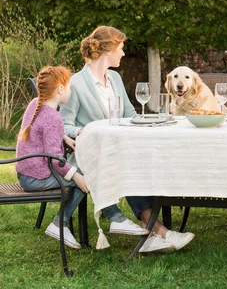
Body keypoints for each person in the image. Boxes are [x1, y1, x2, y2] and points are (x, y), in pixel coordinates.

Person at [60, 26, 194, 253]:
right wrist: (84, 132)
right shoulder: (77, 83)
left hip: (119, 148)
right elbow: (64, 125)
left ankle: (150, 230)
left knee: (143, 159)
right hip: (89, 155)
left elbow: (130, 115)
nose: (123, 53)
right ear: (108, 49)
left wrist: (158, 120)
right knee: (130, 162)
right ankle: (160, 231)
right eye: (121, 48)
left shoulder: (115, 78)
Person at [16, 66, 89, 249]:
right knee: (83, 178)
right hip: (35, 179)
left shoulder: (36, 104)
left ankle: (61, 223)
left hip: (25, 174)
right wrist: (76, 176)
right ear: (60, 89)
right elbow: (56, 160)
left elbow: (42, 130)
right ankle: (59, 223)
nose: (71, 91)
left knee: (79, 176)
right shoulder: (54, 117)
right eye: (70, 87)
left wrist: (63, 137)